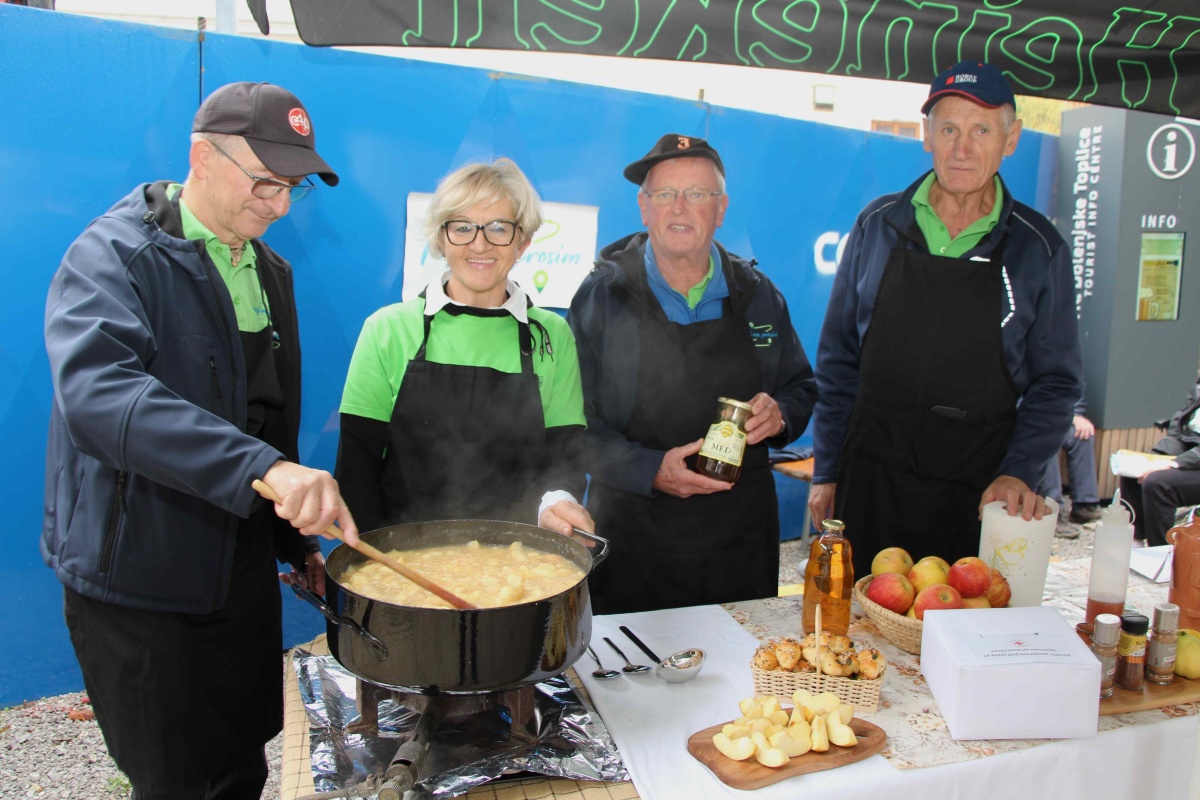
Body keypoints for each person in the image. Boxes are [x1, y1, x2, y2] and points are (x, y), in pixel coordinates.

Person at [42, 82, 358, 800]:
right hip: (140, 578)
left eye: (293, 189)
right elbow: (100, 395)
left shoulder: (268, 270)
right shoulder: (115, 256)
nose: (279, 207)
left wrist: (292, 542)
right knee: (175, 777)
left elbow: (263, 415)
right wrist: (263, 469)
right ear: (201, 157)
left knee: (242, 759)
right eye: (265, 183)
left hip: (236, 569)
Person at [808, 60, 1082, 578]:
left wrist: (1018, 472)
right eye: (949, 129)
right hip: (872, 480)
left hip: (979, 491)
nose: (962, 147)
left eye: (981, 130)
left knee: (966, 639)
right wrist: (828, 469)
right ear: (926, 135)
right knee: (858, 641)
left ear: (1011, 139)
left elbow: (1057, 383)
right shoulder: (877, 225)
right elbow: (838, 359)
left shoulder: (1037, 246)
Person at [567, 133, 817, 614]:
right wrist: (652, 470)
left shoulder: (758, 293)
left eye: (697, 194)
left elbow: (801, 387)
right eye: (665, 194)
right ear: (644, 207)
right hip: (632, 538)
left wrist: (781, 414)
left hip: (738, 544)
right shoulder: (602, 297)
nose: (679, 208)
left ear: (720, 209)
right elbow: (574, 428)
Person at [335, 158, 593, 535]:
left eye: (499, 228)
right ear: (441, 238)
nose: (480, 244)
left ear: (523, 242)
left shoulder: (552, 335)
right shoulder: (386, 330)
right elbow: (357, 469)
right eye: (462, 228)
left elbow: (566, 457)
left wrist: (558, 501)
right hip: (404, 565)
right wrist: (376, 572)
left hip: (520, 564)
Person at [1119, 372, 1200, 547]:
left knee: (1158, 483)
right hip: (1191, 451)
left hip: (1194, 459)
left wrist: (1174, 464)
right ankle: (1135, 546)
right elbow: (1183, 425)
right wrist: (1156, 456)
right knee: (1133, 469)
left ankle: (1160, 554)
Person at [1037, 392, 1102, 528]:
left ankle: (1085, 504)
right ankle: (1053, 511)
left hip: (1060, 417)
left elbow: (1075, 390)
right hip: (1033, 419)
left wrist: (1076, 414)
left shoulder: (1067, 370)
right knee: (1046, 438)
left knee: (1082, 435)